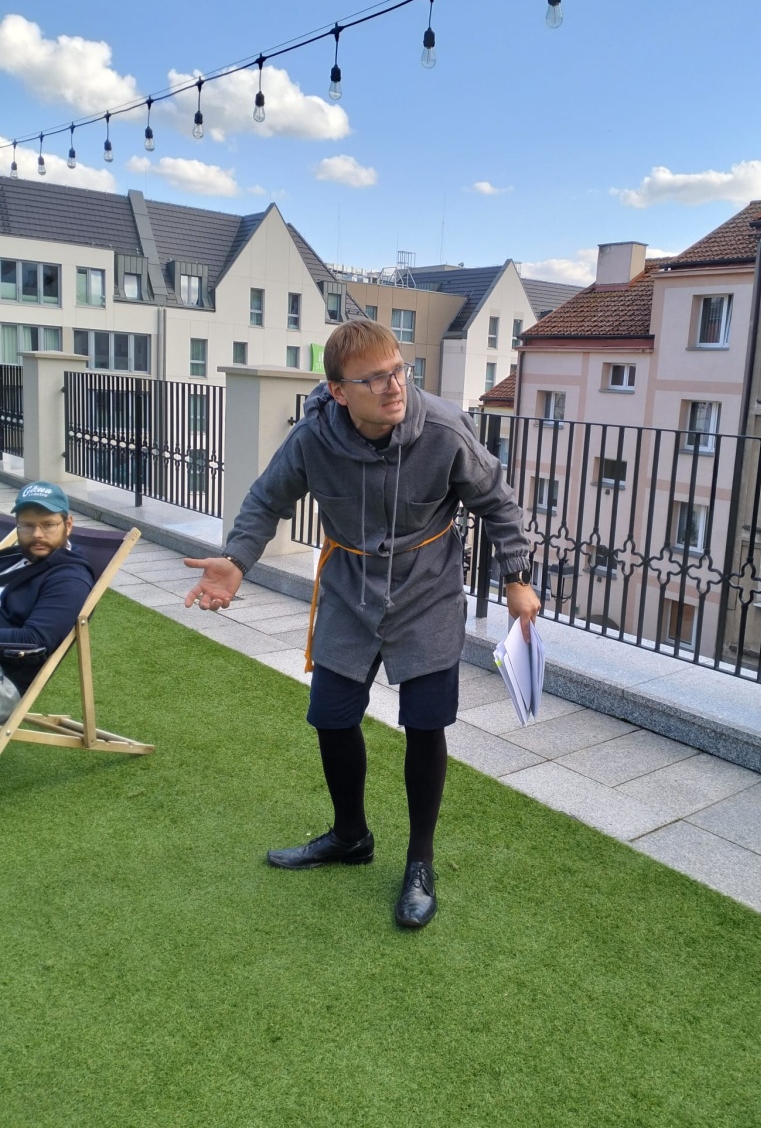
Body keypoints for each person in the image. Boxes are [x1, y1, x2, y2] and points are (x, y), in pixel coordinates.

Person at [184, 319, 540, 929]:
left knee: (425, 724)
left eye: (398, 370)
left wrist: (516, 576)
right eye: (373, 379)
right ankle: (350, 835)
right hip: (349, 590)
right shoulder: (312, 439)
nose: (393, 386)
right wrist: (237, 560)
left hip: (427, 592)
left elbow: (498, 502)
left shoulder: (445, 429)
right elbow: (267, 499)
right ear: (339, 391)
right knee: (331, 714)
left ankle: (420, 863)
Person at [0, 481, 94, 719]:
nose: (37, 535)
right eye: (27, 525)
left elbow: (34, 640)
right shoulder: (19, 557)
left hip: (6, 682)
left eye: (48, 525)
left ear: (68, 525)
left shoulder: (69, 579)